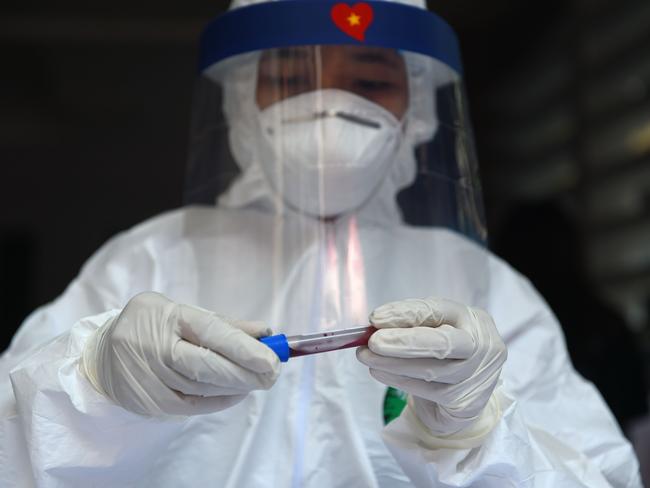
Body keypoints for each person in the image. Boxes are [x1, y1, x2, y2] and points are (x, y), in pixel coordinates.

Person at [0, 0, 641, 486]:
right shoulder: (149, 259)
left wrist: (476, 434)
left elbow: (597, 475)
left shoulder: (483, 285)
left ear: (415, 110)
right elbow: (13, 445)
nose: (328, 106)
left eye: (368, 82)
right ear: (241, 104)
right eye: (289, 79)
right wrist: (93, 387)